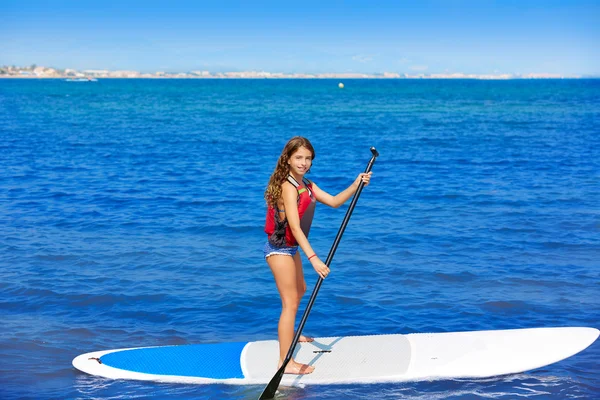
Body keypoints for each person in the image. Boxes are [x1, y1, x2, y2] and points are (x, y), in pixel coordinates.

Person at [264, 136, 372, 375]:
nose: (304, 162)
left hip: (291, 248)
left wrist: (356, 184)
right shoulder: (287, 186)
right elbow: (294, 227)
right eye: (299, 158)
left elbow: (333, 202)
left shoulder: (307, 185)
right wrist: (314, 258)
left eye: (308, 158)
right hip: (279, 249)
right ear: (288, 159)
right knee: (290, 303)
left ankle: (291, 331)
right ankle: (285, 362)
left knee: (300, 290)